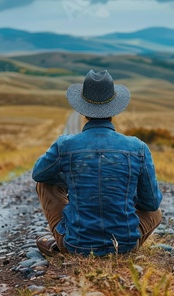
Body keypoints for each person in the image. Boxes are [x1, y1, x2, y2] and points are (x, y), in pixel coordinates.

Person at [32, 70, 163, 256]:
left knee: (45, 183)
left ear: (82, 110)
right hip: (124, 247)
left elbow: (38, 174)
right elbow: (150, 203)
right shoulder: (138, 147)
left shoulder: (65, 145)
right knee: (156, 212)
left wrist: (72, 177)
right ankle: (122, 243)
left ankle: (62, 243)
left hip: (77, 246)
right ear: (115, 109)